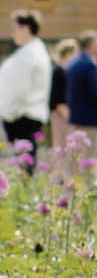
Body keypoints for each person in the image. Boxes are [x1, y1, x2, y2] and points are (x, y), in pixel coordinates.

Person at [0, 9, 52, 164]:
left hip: (21, 115)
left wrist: (9, 111)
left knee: (23, 163)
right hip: (20, 114)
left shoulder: (31, 54)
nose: (13, 33)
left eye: (15, 28)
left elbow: (20, 88)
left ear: (26, 29)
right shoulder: (30, 50)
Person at [66, 30, 97, 158]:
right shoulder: (89, 64)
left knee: (75, 152)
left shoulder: (73, 63)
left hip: (76, 115)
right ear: (92, 44)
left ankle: (70, 177)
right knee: (89, 154)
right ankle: (86, 178)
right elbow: (94, 91)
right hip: (91, 117)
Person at [49, 37, 78, 149]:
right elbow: (58, 99)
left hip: (65, 112)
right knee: (61, 145)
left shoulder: (66, 71)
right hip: (60, 113)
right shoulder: (59, 72)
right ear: (68, 53)